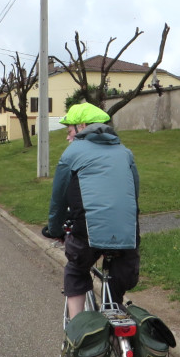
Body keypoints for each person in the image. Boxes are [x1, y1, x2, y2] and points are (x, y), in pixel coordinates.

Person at [42, 102, 140, 319]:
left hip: (87, 234)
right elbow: (134, 193)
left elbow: (58, 200)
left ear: (82, 126)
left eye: (69, 131)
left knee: (76, 271)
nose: (68, 138)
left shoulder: (72, 153)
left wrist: (55, 229)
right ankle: (117, 329)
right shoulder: (125, 153)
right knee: (115, 294)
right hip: (128, 234)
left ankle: (77, 334)